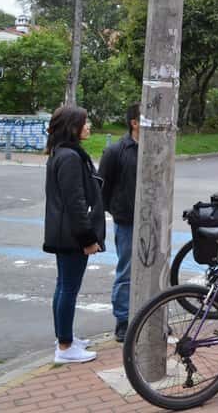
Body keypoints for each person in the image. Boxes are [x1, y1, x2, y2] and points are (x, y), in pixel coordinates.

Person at [42, 105, 105, 364]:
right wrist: (88, 239)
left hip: (63, 232)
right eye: (84, 122)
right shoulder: (69, 157)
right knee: (68, 288)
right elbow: (75, 203)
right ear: (72, 127)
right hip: (71, 235)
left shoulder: (62, 153)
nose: (88, 126)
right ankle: (65, 348)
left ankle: (64, 338)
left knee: (63, 286)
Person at [98, 102, 140, 343]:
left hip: (152, 222)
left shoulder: (157, 148)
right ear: (134, 122)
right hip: (126, 219)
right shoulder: (116, 151)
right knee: (127, 270)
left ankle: (150, 314)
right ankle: (122, 320)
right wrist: (114, 211)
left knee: (153, 267)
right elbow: (103, 188)